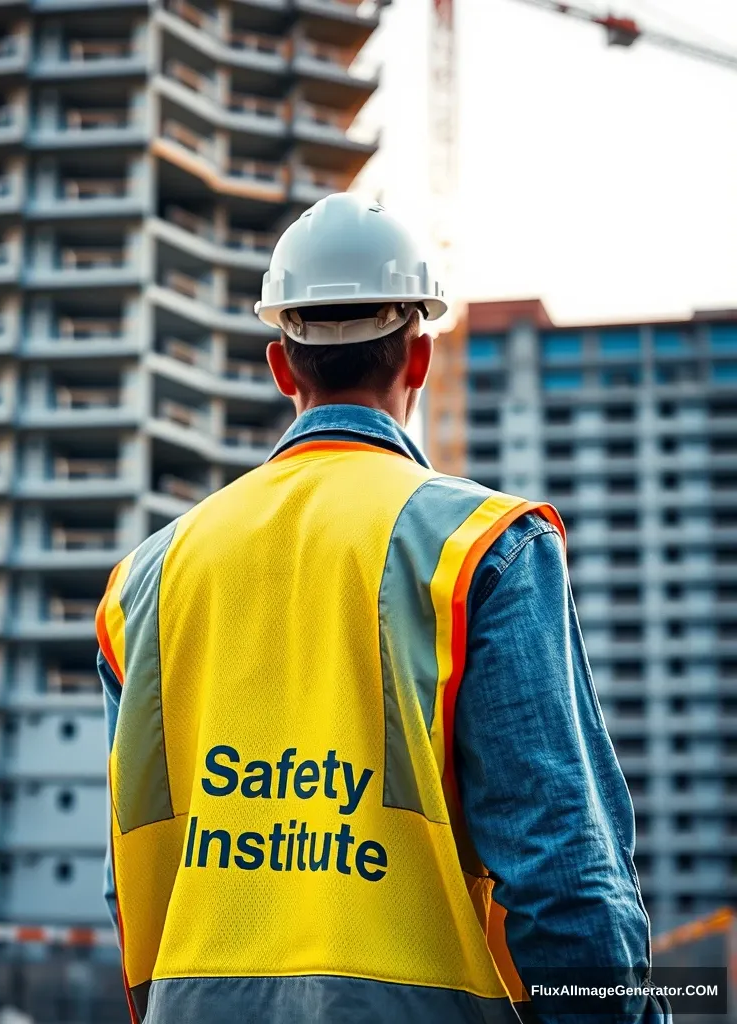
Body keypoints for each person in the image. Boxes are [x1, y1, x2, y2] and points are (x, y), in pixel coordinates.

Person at [95, 192, 666, 1024]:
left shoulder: (145, 582)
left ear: (281, 366)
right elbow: (566, 877)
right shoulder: (482, 549)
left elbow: (132, 877)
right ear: (420, 357)